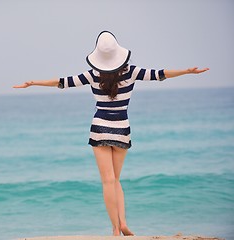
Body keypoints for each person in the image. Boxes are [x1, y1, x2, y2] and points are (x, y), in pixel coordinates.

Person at [13, 31, 209, 236]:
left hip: (99, 127)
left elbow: (62, 82)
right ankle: (123, 222)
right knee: (116, 180)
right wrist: (187, 71)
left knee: (107, 180)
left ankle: (115, 229)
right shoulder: (132, 72)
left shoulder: (92, 75)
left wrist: (33, 82)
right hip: (122, 128)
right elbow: (160, 74)